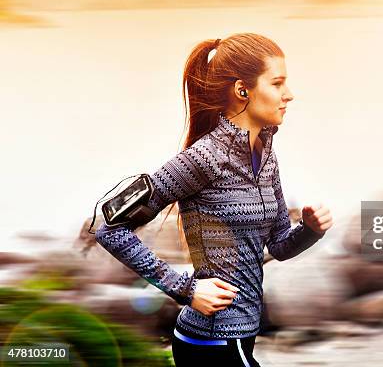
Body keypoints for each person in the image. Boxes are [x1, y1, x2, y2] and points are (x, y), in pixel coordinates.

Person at [94, 33, 333, 366]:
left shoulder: (265, 157)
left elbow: (278, 245)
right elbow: (109, 228)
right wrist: (186, 289)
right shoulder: (204, 158)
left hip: (242, 337)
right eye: (277, 84)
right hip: (211, 341)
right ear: (242, 91)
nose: (289, 95)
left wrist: (309, 230)